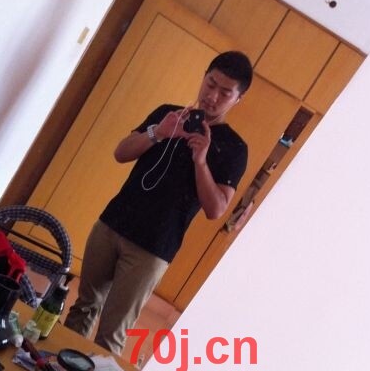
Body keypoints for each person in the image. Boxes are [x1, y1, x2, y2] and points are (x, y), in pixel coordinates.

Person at [65, 50, 253, 354]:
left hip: (153, 248)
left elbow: (216, 209)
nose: (212, 96)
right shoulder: (168, 114)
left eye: (224, 92)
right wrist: (158, 133)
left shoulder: (234, 147)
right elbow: (121, 153)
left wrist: (201, 161)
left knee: (112, 333)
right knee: (82, 307)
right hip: (112, 223)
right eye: (210, 84)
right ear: (204, 77)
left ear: (238, 99)